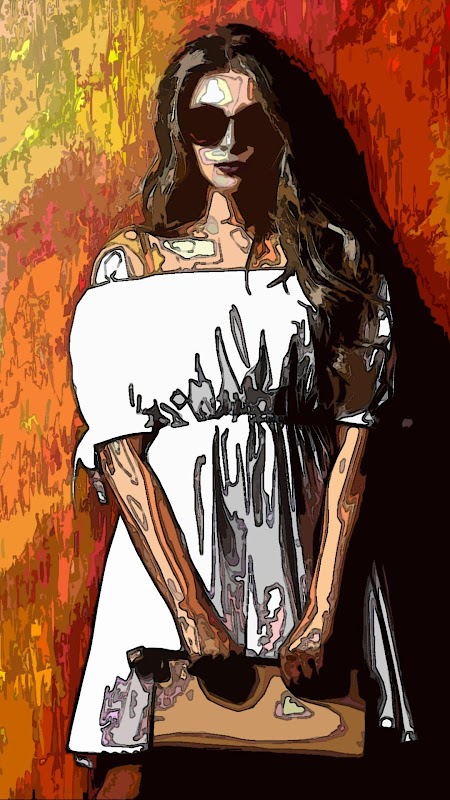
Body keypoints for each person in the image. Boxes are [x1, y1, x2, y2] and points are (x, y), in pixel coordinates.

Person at [67, 24, 416, 798]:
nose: (229, 141)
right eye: (206, 121)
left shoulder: (332, 259)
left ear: (277, 130)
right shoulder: (133, 268)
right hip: (169, 560)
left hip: (299, 549)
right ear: (180, 132)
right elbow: (119, 453)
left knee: (312, 766)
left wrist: (322, 610)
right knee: (137, 771)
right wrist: (191, 613)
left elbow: (357, 444)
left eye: (249, 120)